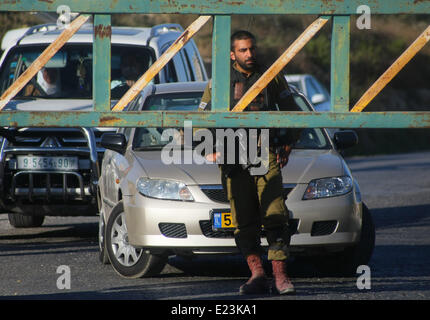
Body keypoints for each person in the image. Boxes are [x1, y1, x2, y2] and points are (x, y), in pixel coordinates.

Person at [199, 30, 302, 295]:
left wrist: (288, 142)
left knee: (275, 213)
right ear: (232, 54)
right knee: (243, 218)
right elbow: (200, 120)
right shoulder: (219, 81)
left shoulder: (272, 76)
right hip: (232, 153)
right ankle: (257, 274)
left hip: (264, 148)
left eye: (252, 49)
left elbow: (293, 112)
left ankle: (280, 277)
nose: (249, 55)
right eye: (243, 50)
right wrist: (210, 150)